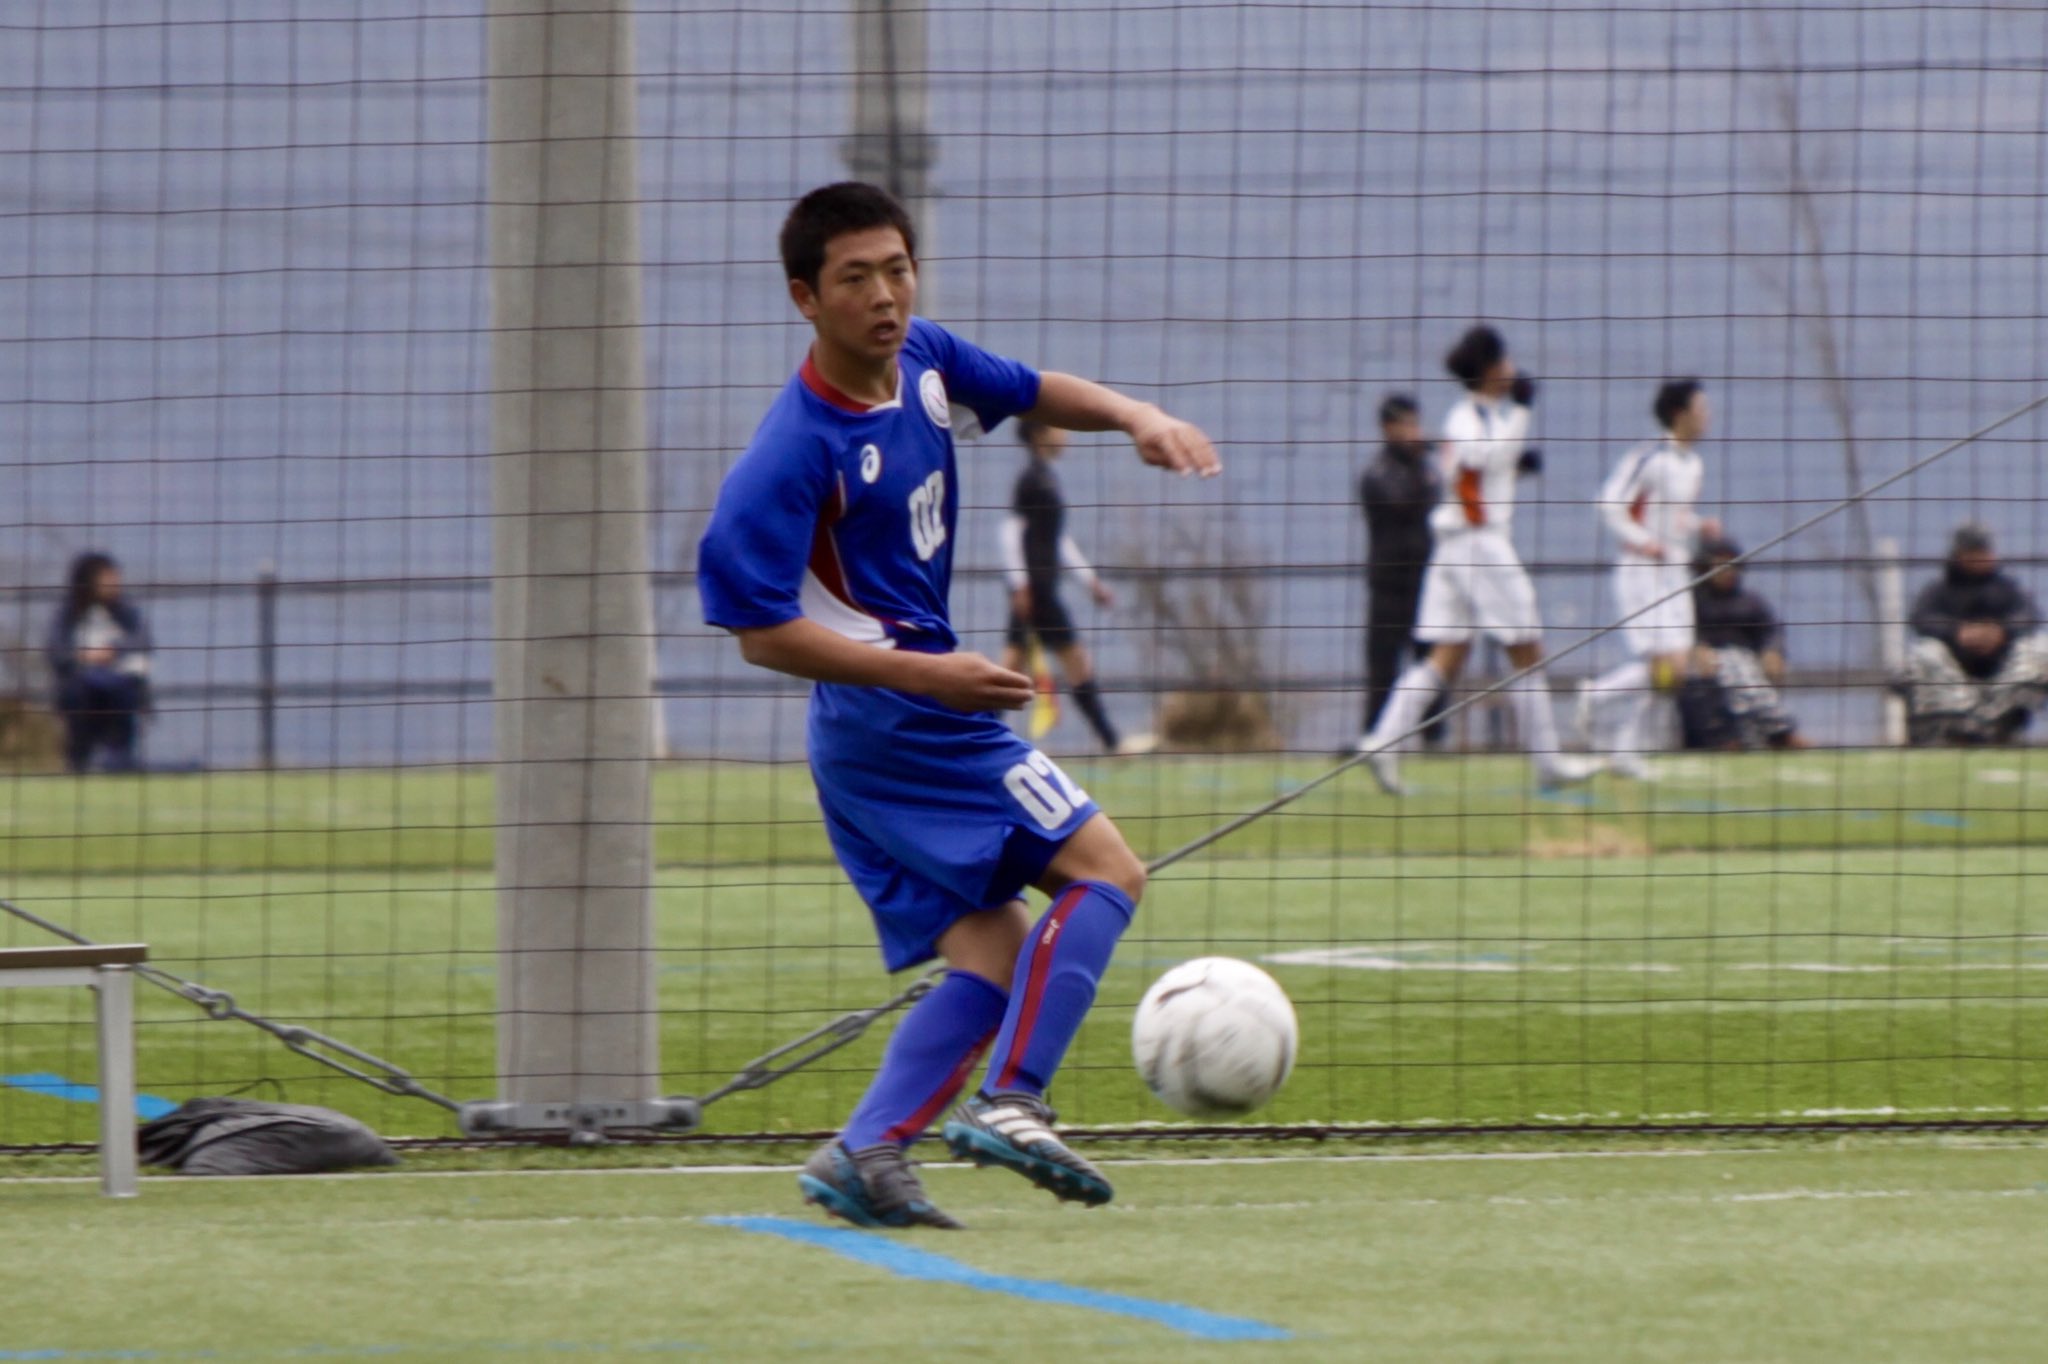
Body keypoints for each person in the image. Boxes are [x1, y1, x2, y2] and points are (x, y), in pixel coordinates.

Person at [695, 183, 1220, 1230]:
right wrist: (929, 675)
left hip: (887, 728)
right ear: (805, 297)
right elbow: (756, 630)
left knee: (989, 949)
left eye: (897, 268)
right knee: (1108, 867)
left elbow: (1027, 389)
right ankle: (1014, 1098)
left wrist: (1133, 415)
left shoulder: (925, 360)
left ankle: (867, 1150)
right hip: (897, 719)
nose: (885, 295)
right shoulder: (792, 450)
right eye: (855, 278)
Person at [1355, 325, 1600, 794]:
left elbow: (1487, 464)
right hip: (1477, 544)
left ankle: (1382, 742)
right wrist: (1523, 415)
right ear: (1489, 371)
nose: (1512, 371)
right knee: (1526, 647)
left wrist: (1515, 463)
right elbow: (1477, 468)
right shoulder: (1468, 420)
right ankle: (1549, 761)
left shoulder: (1480, 417)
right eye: (1504, 363)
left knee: (1446, 655)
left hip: (1455, 547)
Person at [1576, 379, 1713, 779]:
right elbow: (1609, 505)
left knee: (1678, 670)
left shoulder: (1694, 464)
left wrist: (1700, 527)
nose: (1707, 416)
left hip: (1675, 572)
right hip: (1641, 572)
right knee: (1662, 665)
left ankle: (1623, 747)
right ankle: (1596, 697)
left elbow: (1674, 518)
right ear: (1679, 413)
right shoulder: (1650, 457)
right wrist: (1644, 541)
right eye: (1700, 407)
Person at [998, 420, 1155, 755]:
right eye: (1058, 427)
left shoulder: (1047, 477)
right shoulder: (1031, 479)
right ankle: (1112, 742)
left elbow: (1058, 540)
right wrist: (1020, 584)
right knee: (1070, 662)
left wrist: (1089, 580)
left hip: (1042, 588)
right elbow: (1011, 532)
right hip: (1037, 591)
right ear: (1040, 434)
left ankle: (977, 736)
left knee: (1012, 667)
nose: (1066, 434)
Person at [1896, 523, 2048, 745]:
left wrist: (2000, 632)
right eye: (1974, 551)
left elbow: (2028, 616)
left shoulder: (2007, 589)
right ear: (1959, 555)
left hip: (2001, 675)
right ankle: (1957, 726)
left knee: (2042, 648)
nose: (1982, 557)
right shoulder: (1938, 591)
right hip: (1952, 676)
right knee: (1924, 653)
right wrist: (1958, 633)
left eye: (1984, 551)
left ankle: (1999, 724)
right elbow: (1923, 619)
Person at [1358, 393, 1445, 743]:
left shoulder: (1426, 470)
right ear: (1387, 428)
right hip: (1388, 585)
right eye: (1405, 424)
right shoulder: (1378, 473)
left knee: (1430, 662)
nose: (1414, 431)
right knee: (1383, 666)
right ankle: (1375, 736)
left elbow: (1437, 497)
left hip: (1424, 583)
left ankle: (1433, 737)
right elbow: (1400, 502)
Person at [1678, 537, 1804, 750]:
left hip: (1746, 660)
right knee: (1732, 669)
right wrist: (1695, 647)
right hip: (1706, 663)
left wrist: (1773, 651)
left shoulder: (1750, 601)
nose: (1727, 571)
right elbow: (1680, 631)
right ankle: (1773, 732)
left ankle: (1770, 733)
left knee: (1741, 668)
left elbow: (1771, 630)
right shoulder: (1690, 601)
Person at [45, 551, 152, 773]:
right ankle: (80, 762)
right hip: (80, 688)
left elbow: (142, 642)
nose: (115, 583)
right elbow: (56, 652)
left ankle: (119, 761)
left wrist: (114, 651)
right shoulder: (67, 614)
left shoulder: (126, 612)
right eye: (108, 578)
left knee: (124, 698)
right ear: (90, 581)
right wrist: (84, 656)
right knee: (80, 700)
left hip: (120, 686)